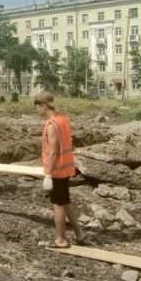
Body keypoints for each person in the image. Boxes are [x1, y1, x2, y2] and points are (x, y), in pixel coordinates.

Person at [35, 91, 83, 248]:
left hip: (57, 171)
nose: (37, 111)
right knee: (66, 202)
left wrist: (48, 174)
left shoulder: (51, 125)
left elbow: (54, 151)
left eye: (37, 108)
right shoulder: (64, 120)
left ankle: (60, 240)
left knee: (58, 205)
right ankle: (79, 234)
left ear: (43, 106)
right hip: (67, 168)